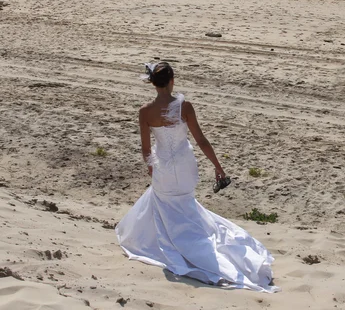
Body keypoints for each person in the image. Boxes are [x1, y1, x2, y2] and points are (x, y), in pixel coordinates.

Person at [115, 62, 278, 293]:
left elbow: (145, 150)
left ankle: (176, 243)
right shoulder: (185, 106)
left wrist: (153, 169)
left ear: (153, 83)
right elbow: (201, 140)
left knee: (166, 203)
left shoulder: (145, 112)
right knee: (185, 202)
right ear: (172, 81)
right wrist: (218, 167)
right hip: (185, 165)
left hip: (163, 167)